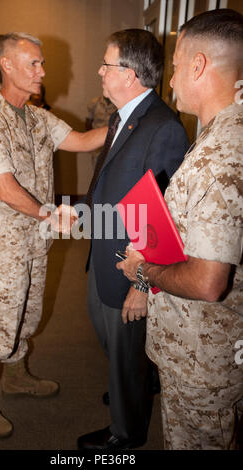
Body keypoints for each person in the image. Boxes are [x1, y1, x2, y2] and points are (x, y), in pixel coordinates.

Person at [0, 32, 106, 439]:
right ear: (7, 65)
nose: (43, 71)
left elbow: (78, 140)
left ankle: (16, 375)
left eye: (41, 63)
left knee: (29, 313)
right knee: (0, 318)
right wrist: (50, 213)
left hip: (36, 237)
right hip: (4, 240)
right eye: (33, 64)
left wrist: (130, 121)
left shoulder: (37, 116)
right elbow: (5, 189)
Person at [116, 9, 243, 450]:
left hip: (203, 357)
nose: (169, 81)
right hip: (206, 348)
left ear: (199, 65)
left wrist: (142, 270)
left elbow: (209, 283)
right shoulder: (221, 134)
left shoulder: (220, 156)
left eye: (174, 68)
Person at [76, 29, 190, 450]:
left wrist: (142, 286)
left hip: (131, 269)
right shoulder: (121, 116)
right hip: (103, 253)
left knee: (125, 350)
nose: (100, 72)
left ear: (130, 74)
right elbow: (114, 185)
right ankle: (136, 388)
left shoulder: (163, 128)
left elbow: (165, 221)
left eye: (107, 64)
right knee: (115, 347)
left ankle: (125, 435)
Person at [85, 95, 116, 167]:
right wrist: (89, 140)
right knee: (97, 168)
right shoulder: (95, 103)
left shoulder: (118, 102)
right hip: (98, 144)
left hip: (113, 141)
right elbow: (88, 122)